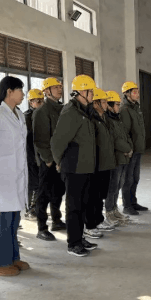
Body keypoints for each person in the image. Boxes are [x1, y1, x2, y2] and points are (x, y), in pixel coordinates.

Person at [0, 76, 30, 275]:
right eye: (20, 90)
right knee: (3, 221)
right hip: (2, 178)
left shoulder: (19, 115)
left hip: (17, 177)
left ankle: (12, 257)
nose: (23, 94)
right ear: (9, 91)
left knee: (14, 220)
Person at [51, 75, 98, 257]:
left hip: (86, 167)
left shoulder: (85, 111)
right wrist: (59, 162)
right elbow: (58, 141)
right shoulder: (71, 112)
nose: (93, 94)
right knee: (74, 207)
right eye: (90, 91)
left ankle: (80, 237)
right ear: (81, 92)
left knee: (83, 205)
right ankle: (73, 243)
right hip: (74, 167)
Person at [33, 77, 66, 241]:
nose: (59, 89)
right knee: (44, 194)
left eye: (60, 87)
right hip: (48, 162)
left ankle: (56, 220)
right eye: (55, 87)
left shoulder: (61, 109)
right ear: (46, 91)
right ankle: (42, 227)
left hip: (60, 159)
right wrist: (48, 160)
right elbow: (40, 140)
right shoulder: (42, 111)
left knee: (58, 191)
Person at [85, 88, 117, 237]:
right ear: (96, 103)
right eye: (103, 102)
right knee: (93, 195)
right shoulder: (91, 120)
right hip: (96, 164)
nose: (106, 104)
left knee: (100, 195)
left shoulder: (104, 118)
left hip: (105, 162)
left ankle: (99, 220)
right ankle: (90, 224)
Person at [105, 90, 134, 225]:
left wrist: (130, 147)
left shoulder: (118, 119)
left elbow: (126, 135)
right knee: (112, 186)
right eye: (117, 104)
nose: (119, 107)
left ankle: (115, 209)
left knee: (119, 184)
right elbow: (114, 140)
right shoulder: (108, 120)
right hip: (116, 158)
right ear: (110, 106)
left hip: (124, 157)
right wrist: (127, 149)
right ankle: (109, 211)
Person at [120, 81, 149, 216]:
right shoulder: (125, 110)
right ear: (127, 94)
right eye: (135, 92)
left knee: (135, 178)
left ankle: (133, 202)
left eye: (137, 91)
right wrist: (128, 149)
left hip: (138, 149)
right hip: (131, 151)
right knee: (128, 179)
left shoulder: (136, 108)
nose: (137, 94)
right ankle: (127, 205)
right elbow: (125, 132)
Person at [24, 89, 44, 220]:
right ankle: (30, 209)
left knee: (41, 184)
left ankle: (37, 207)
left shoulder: (42, 115)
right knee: (33, 184)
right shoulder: (26, 117)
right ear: (31, 102)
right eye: (38, 101)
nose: (41, 103)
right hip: (30, 155)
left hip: (40, 155)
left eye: (42, 101)